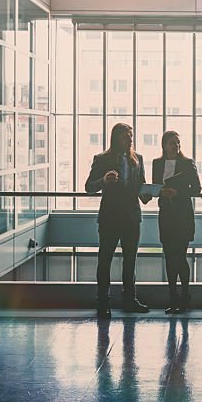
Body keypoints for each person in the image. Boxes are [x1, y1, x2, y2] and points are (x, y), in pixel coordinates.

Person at [85, 122, 150, 318]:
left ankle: (129, 300)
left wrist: (149, 193)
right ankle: (103, 302)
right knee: (105, 260)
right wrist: (103, 181)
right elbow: (89, 187)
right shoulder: (102, 159)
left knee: (130, 261)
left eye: (131, 135)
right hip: (110, 217)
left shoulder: (137, 159)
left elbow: (140, 185)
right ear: (116, 138)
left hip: (131, 216)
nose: (130, 139)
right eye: (125, 136)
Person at [152, 131, 202, 314]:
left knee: (179, 256)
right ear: (164, 145)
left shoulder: (187, 163)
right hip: (166, 214)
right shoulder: (157, 163)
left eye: (178, 143)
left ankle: (185, 296)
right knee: (169, 256)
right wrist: (159, 192)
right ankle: (173, 297)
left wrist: (178, 193)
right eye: (172, 143)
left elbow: (197, 188)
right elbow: (156, 186)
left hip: (182, 215)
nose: (176, 146)